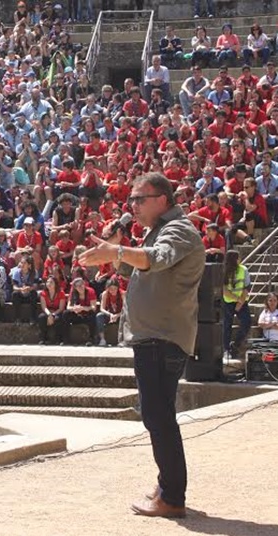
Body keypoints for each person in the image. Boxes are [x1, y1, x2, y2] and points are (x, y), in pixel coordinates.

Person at [79, 172, 205, 518]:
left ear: (163, 199)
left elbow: (157, 259)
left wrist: (119, 250)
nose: (132, 206)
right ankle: (168, 486)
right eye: (131, 200)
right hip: (154, 336)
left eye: (139, 199)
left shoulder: (178, 231)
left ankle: (172, 497)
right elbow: (143, 274)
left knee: (159, 417)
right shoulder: (158, 231)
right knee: (158, 415)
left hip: (161, 338)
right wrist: (116, 256)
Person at [222, 249, 252, 359]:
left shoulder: (243, 270)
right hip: (228, 301)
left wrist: (240, 302)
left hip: (242, 302)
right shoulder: (223, 270)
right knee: (226, 326)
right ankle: (225, 349)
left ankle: (235, 345)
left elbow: (247, 287)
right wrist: (236, 299)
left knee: (247, 322)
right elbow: (224, 289)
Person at [38, 275, 66, 345]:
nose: (49, 284)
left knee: (57, 319)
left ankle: (59, 339)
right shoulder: (43, 293)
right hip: (48, 311)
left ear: (55, 284)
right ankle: (43, 338)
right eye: (47, 282)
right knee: (41, 317)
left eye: (51, 282)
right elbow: (44, 307)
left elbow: (61, 308)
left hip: (57, 311)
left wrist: (53, 315)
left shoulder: (61, 293)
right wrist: (49, 314)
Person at [96, 278, 125, 346]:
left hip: (120, 314)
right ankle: (102, 339)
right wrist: (110, 315)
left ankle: (123, 340)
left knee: (127, 317)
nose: (113, 291)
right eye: (110, 289)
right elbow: (102, 308)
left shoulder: (122, 293)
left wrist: (117, 315)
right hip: (109, 314)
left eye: (115, 288)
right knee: (99, 316)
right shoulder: (105, 294)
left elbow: (125, 309)